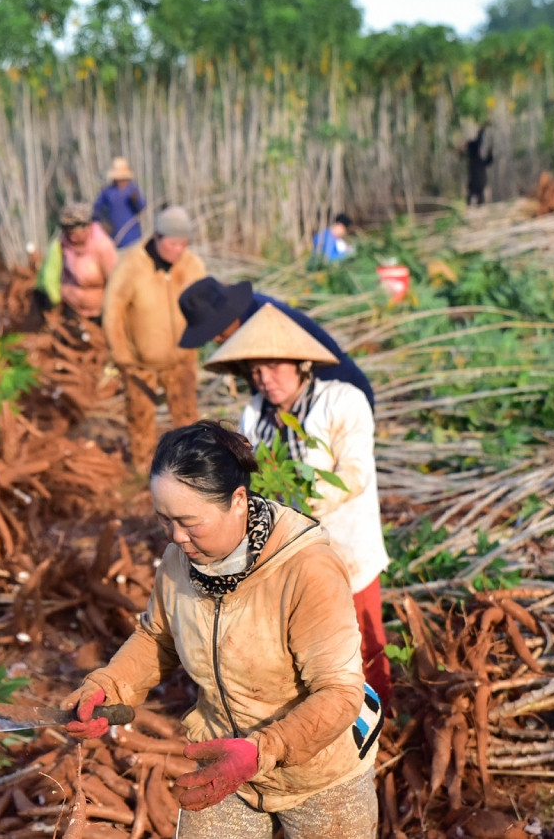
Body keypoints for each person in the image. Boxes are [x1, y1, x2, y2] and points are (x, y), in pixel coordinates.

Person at [65, 422, 379, 838]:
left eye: (190, 523)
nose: (177, 537)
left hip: (318, 774)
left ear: (238, 501)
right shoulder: (179, 560)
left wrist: (260, 750)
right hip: (221, 759)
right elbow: (157, 637)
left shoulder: (306, 570)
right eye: (164, 521)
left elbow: (339, 692)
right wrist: (111, 686)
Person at [204, 306, 392, 714]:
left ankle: (382, 727)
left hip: (345, 546)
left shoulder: (342, 401)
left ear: (300, 363)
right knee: (311, 650)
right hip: (289, 554)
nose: (264, 379)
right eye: (256, 370)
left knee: (363, 645)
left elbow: (355, 472)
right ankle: (327, 728)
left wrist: (307, 498)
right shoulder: (254, 414)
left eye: (274, 366)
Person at [103, 205, 207, 468]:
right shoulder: (131, 264)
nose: (179, 250)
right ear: (157, 237)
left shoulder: (193, 265)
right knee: (140, 418)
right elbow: (113, 311)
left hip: (181, 359)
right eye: (173, 244)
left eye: (184, 244)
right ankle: (144, 469)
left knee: (187, 417)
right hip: (139, 363)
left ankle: (189, 468)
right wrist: (121, 355)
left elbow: (205, 305)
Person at [177, 278, 375, 408]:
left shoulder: (268, 324)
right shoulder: (247, 319)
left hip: (339, 397)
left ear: (230, 314)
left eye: (217, 331)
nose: (215, 339)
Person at [44, 202, 119, 322]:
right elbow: (52, 275)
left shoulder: (103, 247)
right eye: (68, 233)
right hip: (71, 309)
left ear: (88, 227)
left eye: (75, 233)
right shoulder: (62, 244)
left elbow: (115, 282)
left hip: (98, 314)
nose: (72, 238)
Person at [94, 157, 147, 248]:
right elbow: (97, 209)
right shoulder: (108, 191)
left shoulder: (133, 189)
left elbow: (142, 207)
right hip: (114, 234)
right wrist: (103, 222)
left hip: (132, 233)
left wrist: (136, 201)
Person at [463, 123, 493, 205]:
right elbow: (488, 161)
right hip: (477, 182)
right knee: (477, 195)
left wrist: (490, 153)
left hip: (476, 182)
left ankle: (471, 205)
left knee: (475, 195)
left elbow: (488, 161)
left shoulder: (474, 158)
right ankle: (473, 205)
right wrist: (482, 130)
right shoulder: (475, 156)